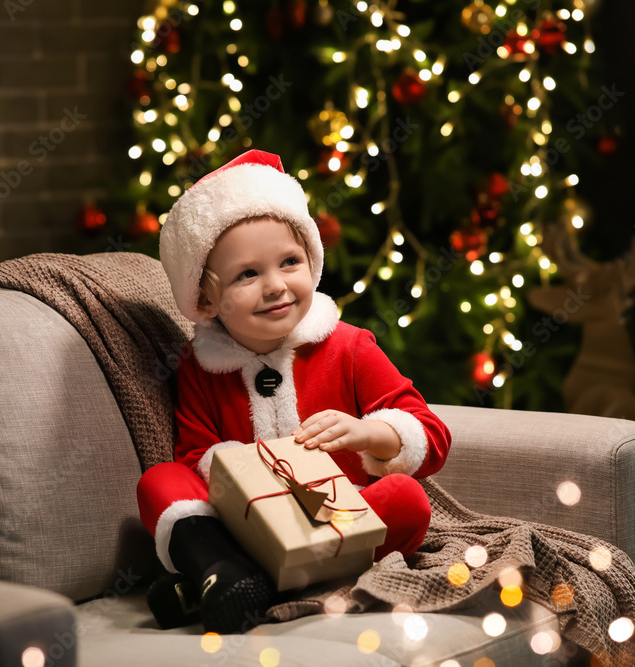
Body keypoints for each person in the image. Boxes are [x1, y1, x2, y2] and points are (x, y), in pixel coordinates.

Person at [136, 149, 451, 634]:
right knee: (160, 483)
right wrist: (248, 473)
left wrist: (369, 433)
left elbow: (430, 434)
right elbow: (195, 453)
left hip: (341, 518)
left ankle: (228, 585)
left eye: (289, 262)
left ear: (312, 260)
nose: (276, 286)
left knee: (407, 498)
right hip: (246, 526)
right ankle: (230, 569)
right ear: (204, 297)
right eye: (247, 274)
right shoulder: (199, 368)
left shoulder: (348, 346)